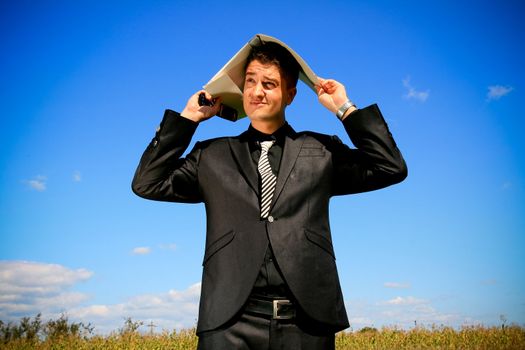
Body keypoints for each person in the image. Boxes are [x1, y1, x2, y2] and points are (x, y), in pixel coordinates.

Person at [132, 40, 407, 349]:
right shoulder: (211, 155)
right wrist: (188, 118)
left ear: (290, 94)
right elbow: (147, 182)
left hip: (307, 323)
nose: (256, 91)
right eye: (250, 82)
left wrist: (345, 109)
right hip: (228, 324)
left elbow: (390, 167)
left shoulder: (322, 151)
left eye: (269, 83)